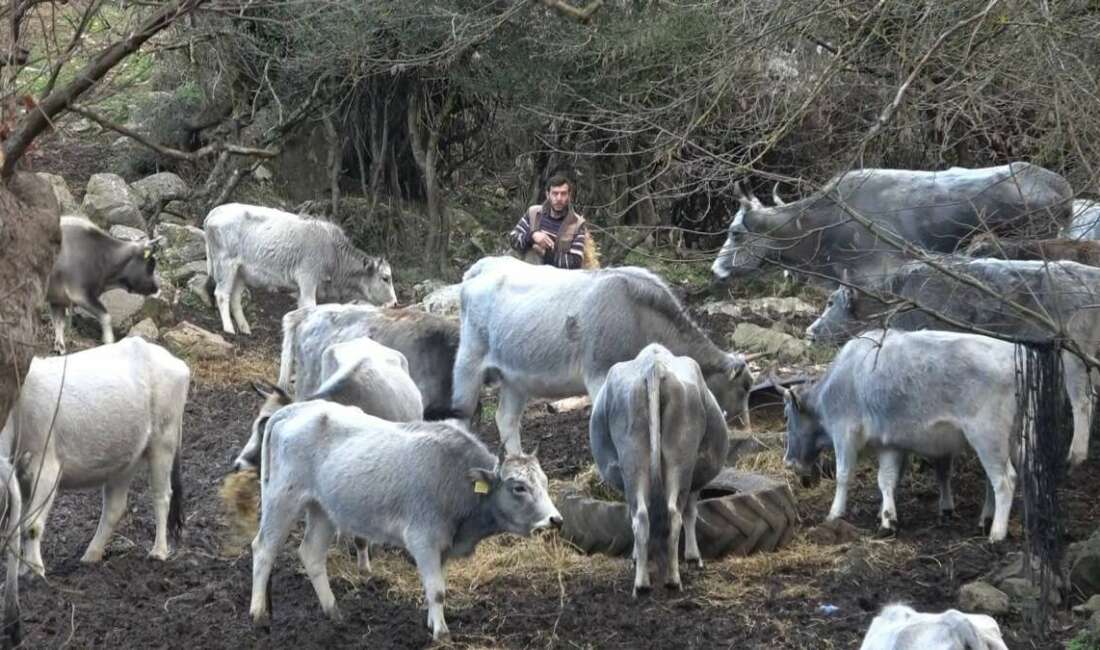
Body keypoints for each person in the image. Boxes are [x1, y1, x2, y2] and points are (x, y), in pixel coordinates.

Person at [509, 174, 590, 269]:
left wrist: (545, 253)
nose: (559, 198)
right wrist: (532, 236)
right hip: (523, 271)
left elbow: (575, 263)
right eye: (555, 193)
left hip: (555, 279)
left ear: (569, 196)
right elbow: (513, 240)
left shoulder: (577, 224)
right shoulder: (533, 213)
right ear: (548, 195)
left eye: (563, 194)